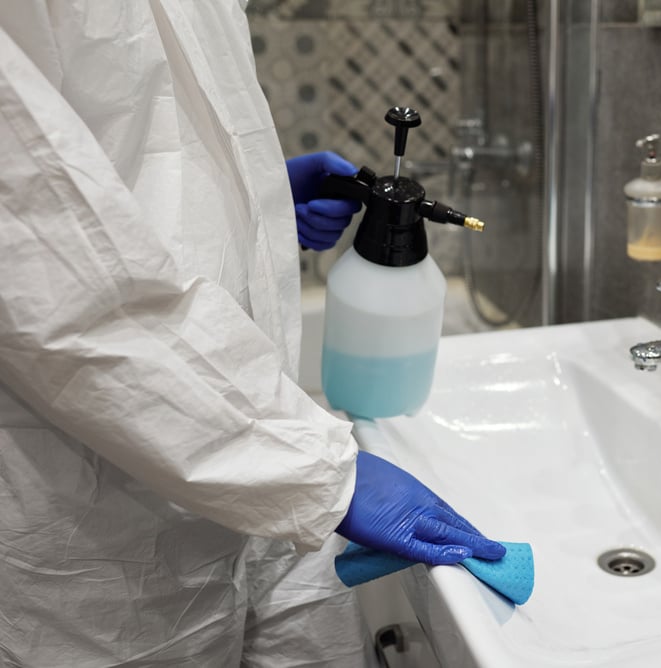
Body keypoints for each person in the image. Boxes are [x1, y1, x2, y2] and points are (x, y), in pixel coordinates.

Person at [0, 2, 504, 666]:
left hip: (240, 458)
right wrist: (325, 476)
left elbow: (134, 136)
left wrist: (252, 203)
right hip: (96, 526)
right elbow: (51, 269)